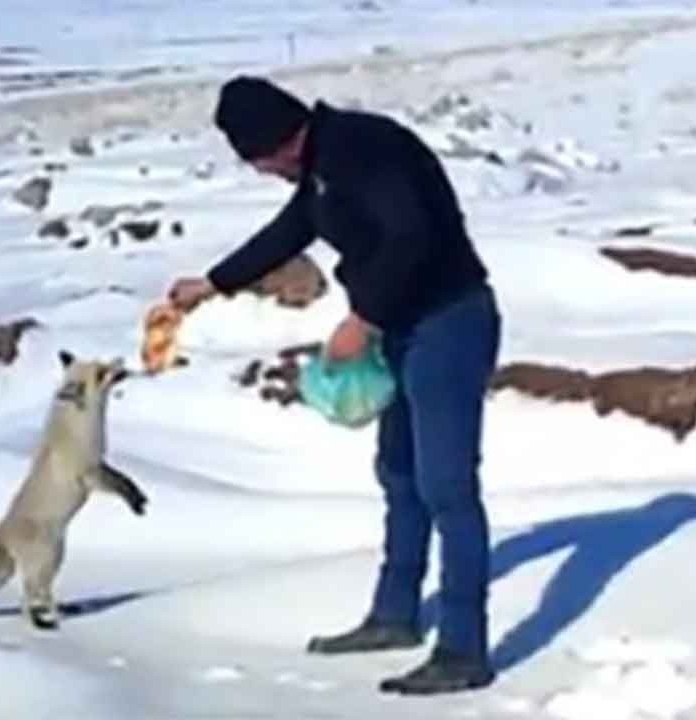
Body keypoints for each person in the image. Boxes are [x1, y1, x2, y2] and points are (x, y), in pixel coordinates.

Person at [168, 75, 502, 695]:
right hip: (402, 329)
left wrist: (364, 317)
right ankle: (394, 616)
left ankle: (464, 648)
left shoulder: (363, 148)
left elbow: (411, 235)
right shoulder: (321, 166)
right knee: (400, 476)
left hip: (449, 321)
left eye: (257, 160)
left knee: (447, 485)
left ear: (276, 141)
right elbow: (288, 233)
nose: (263, 173)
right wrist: (212, 284)